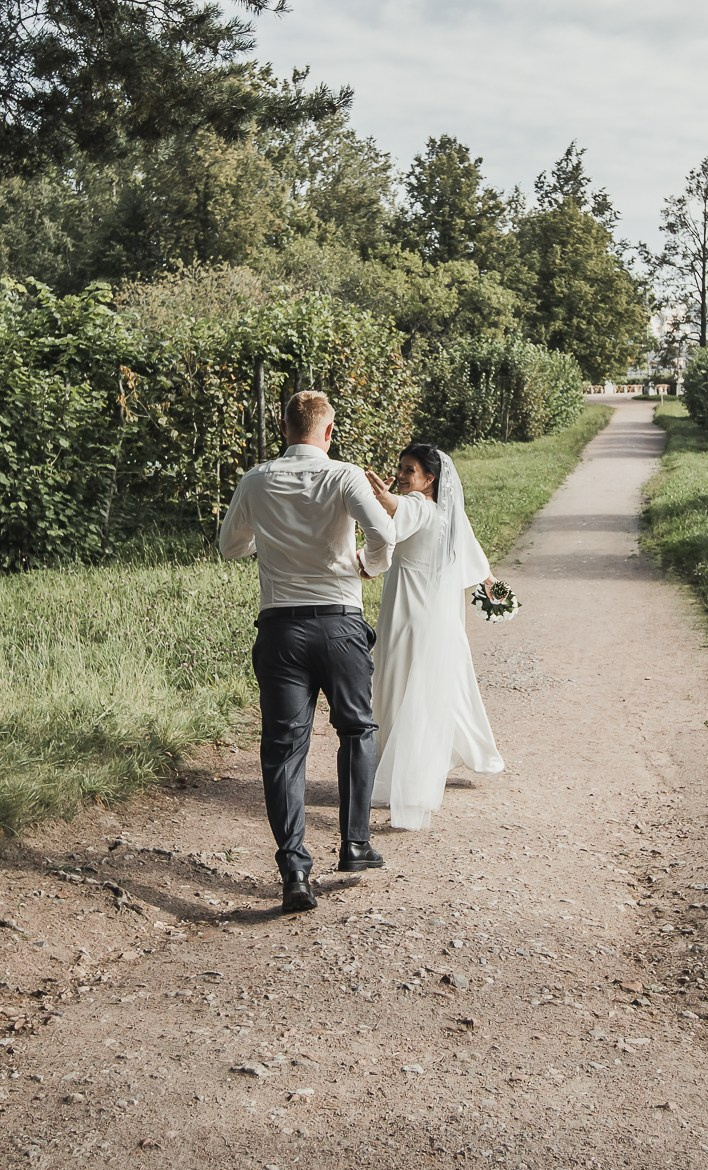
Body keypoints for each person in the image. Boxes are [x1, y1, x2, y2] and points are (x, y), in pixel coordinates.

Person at [216, 390, 399, 914]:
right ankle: (354, 844)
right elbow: (384, 531)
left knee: (282, 749)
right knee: (357, 729)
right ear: (328, 431)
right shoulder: (344, 476)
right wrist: (368, 565)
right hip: (340, 624)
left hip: (281, 630)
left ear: (284, 426)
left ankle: (294, 870)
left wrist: (270, 541)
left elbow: (230, 545)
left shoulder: (256, 479)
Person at [359, 442, 504, 831]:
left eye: (410, 470)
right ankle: (425, 760)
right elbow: (468, 545)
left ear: (430, 478)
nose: (403, 475)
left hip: (409, 609)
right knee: (431, 683)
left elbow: (399, 511)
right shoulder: (446, 512)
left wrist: (383, 496)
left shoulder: (421, 506)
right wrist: (489, 579)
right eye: (401, 469)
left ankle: (401, 775)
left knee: (397, 683)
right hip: (430, 610)